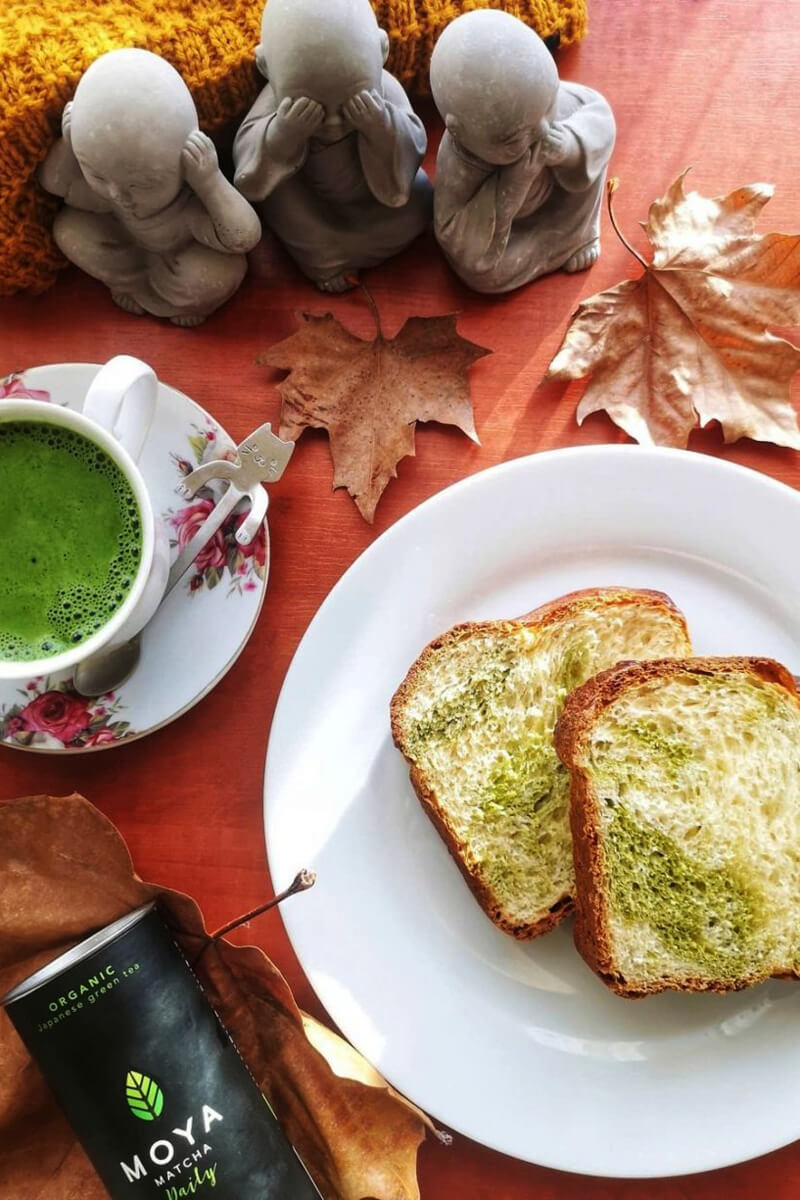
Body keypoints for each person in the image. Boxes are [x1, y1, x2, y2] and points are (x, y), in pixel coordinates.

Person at [39, 49, 261, 326]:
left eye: (141, 185)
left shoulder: (188, 206)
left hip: (181, 259)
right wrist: (69, 145)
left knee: (222, 271)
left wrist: (210, 181)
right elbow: (55, 184)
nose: (118, 195)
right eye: (97, 175)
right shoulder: (110, 194)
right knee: (70, 229)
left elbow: (243, 237)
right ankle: (131, 285)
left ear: (185, 164)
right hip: (125, 253)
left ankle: (167, 300)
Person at [233, 0, 432, 293]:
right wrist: (283, 133)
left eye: (351, 101)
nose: (336, 121)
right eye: (314, 107)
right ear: (265, 66)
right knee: (283, 204)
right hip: (316, 208)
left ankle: (349, 251)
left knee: (422, 201)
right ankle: (330, 261)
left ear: (381, 50)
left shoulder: (386, 88)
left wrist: (380, 124)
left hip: (376, 202)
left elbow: (412, 143)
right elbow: (249, 172)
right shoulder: (273, 102)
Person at [430, 10, 616, 293]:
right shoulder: (460, 162)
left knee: (591, 152)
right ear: (460, 131)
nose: (542, 131)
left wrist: (569, 145)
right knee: (482, 276)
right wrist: (510, 189)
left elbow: (598, 114)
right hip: (513, 234)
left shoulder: (536, 101)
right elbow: (451, 231)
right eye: (514, 137)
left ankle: (579, 236)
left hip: (563, 212)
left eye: (549, 105)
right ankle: (549, 248)